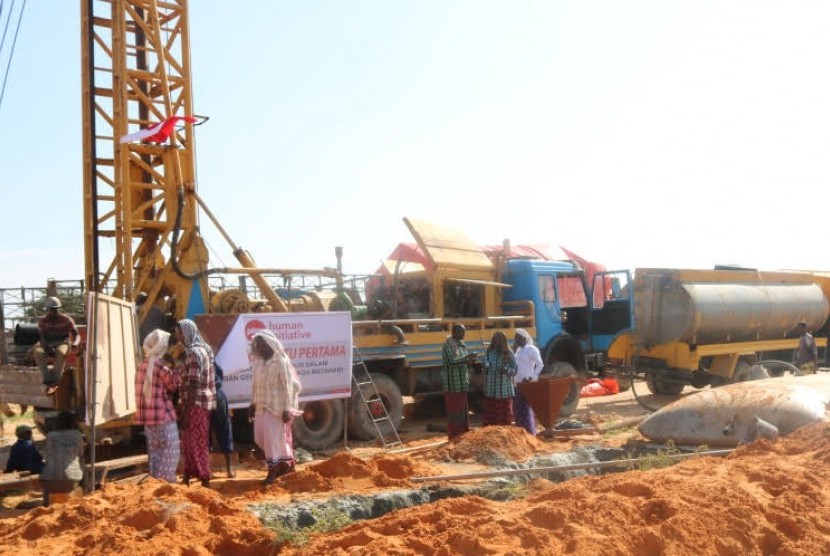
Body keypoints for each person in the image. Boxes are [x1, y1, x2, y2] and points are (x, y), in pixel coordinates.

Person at [248, 330, 302, 485]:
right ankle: (284, 463)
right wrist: (252, 403)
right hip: (260, 407)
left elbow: (287, 387)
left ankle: (272, 472)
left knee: (272, 441)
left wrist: (286, 409)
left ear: (270, 344)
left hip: (276, 409)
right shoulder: (258, 362)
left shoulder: (280, 362)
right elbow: (254, 386)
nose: (260, 347)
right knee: (260, 438)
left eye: (262, 344)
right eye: (258, 345)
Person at [135, 329, 181, 483]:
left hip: (147, 420)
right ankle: (165, 484)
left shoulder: (141, 366)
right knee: (169, 452)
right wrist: (174, 367)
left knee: (154, 453)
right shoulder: (162, 368)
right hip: (163, 417)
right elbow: (173, 386)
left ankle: (154, 484)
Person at [176, 319, 216, 487]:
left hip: (195, 404)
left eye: (179, 332)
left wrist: (185, 412)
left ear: (186, 333)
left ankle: (205, 477)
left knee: (196, 442)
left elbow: (193, 384)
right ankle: (188, 474)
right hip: (200, 402)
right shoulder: (204, 350)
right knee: (189, 441)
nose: (178, 336)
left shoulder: (193, 353)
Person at [33, 297, 80, 394]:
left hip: (63, 342)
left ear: (58, 309)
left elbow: (76, 334)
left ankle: (56, 380)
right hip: (47, 343)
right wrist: (47, 347)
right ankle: (47, 379)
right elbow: (42, 337)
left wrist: (75, 343)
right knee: (37, 352)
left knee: (60, 352)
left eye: (55, 309)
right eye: (51, 310)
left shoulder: (66, 319)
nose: (53, 312)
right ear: (47, 310)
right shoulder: (43, 321)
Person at [40, 411, 84, 507]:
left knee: (48, 472)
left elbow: (47, 455)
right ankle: (82, 499)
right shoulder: (77, 435)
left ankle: (46, 505)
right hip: (72, 479)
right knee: (81, 465)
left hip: (50, 478)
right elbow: (81, 453)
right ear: (73, 422)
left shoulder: (50, 435)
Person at [441, 323, 475, 440]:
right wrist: (467, 358)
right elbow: (451, 361)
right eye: (462, 332)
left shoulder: (462, 345)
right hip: (453, 385)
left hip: (462, 384)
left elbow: (463, 362)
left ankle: (463, 434)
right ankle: (455, 436)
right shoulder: (447, 346)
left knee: (463, 411)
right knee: (454, 412)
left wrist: (471, 360)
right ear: (454, 332)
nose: (464, 334)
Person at [481, 332, 517, 426]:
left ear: (503, 341)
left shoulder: (508, 353)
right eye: (495, 340)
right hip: (491, 389)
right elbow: (484, 365)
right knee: (491, 415)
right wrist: (485, 366)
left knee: (503, 415)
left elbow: (514, 370)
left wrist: (506, 370)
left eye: (499, 340)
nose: (496, 342)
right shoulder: (489, 352)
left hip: (503, 390)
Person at [512, 328, 544, 435]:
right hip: (517, 384)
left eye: (518, 338)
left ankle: (530, 433)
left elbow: (540, 364)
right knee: (518, 410)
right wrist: (513, 350)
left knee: (526, 410)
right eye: (515, 338)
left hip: (528, 384)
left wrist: (532, 376)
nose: (516, 340)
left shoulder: (531, 348)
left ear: (524, 338)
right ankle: (520, 433)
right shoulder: (518, 350)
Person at [210, 362, 235, 478]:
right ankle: (229, 468)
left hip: (207, 396)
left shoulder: (195, 358)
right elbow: (220, 373)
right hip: (216, 395)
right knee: (223, 430)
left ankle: (228, 468)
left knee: (208, 431)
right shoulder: (211, 360)